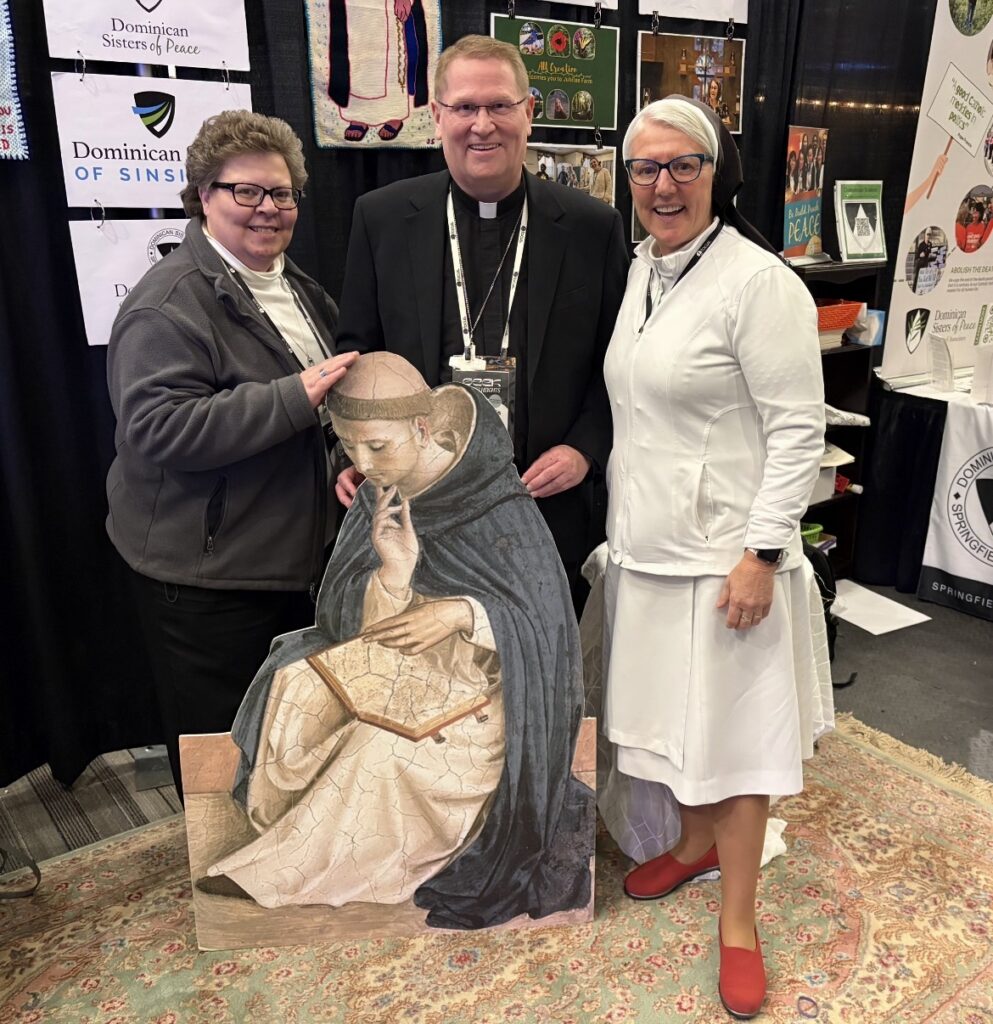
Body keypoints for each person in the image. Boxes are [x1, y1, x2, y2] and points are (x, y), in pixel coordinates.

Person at [200, 352, 593, 929]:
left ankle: (284, 870)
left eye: (376, 447)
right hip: (396, 664)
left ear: (422, 427)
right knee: (295, 685)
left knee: (377, 751)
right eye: (349, 447)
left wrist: (461, 613)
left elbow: (545, 627)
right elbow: (338, 610)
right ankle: (282, 826)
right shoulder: (375, 493)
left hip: (486, 690)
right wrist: (394, 575)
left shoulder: (495, 500)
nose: (363, 463)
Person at [607, 97, 825, 1018]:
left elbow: (797, 429)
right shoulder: (642, 268)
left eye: (683, 165)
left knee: (736, 749)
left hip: (726, 560)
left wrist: (761, 553)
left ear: (716, 173)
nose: (663, 185)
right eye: (646, 169)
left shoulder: (759, 281)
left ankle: (738, 923)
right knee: (672, 730)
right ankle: (689, 850)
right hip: (646, 549)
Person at [105, 110, 358, 795]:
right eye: (244, 191)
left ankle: (276, 881)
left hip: (285, 567)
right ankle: (222, 889)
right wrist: (291, 397)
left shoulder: (294, 287)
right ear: (202, 196)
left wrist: (341, 466)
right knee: (221, 759)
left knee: (284, 748)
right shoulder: (169, 305)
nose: (266, 209)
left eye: (280, 193)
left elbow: (316, 415)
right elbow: (158, 428)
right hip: (206, 580)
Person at [334, 34, 629, 610]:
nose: (483, 124)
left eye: (499, 105)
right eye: (465, 107)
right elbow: (358, 353)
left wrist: (585, 450)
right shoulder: (382, 219)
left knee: (540, 679)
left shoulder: (594, 227)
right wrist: (352, 452)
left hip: (545, 504)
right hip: (420, 508)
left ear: (529, 111)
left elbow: (616, 363)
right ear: (438, 116)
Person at [328, 0, 430, 142]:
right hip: (355, 11)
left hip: (388, 8)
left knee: (391, 58)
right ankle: (358, 116)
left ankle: (394, 115)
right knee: (356, 58)